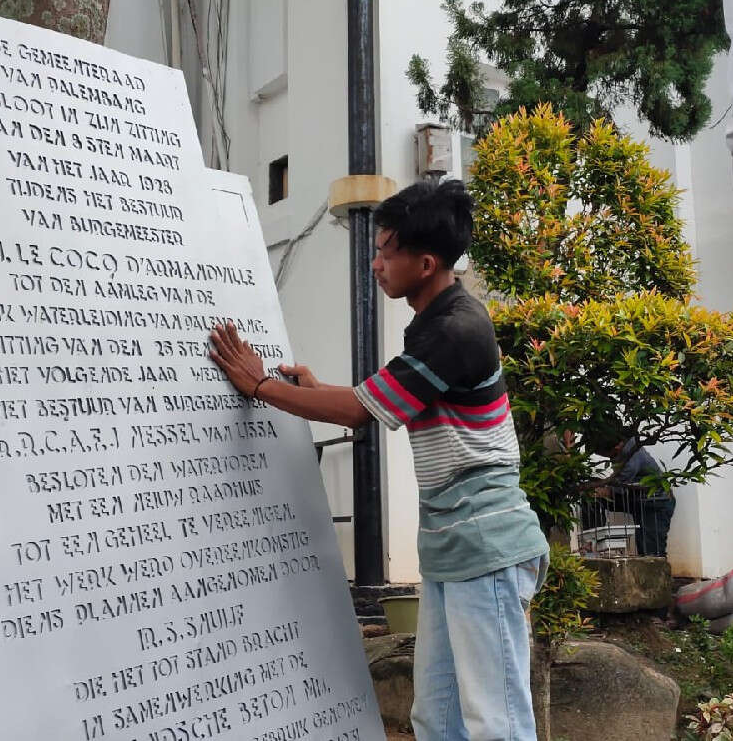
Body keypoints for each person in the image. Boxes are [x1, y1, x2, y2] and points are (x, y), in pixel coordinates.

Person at [208, 180, 549, 741]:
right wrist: (317, 389)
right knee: (436, 718)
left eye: (387, 251)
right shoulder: (436, 323)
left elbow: (359, 413)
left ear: (426, 262)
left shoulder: (456, 330)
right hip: (451, 549)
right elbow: (382, 396)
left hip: (486, 549)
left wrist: (261, 385)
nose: (376, 264)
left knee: (497, 722)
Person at [587, 428, 674, 557]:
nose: (611, 459)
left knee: (651, 551)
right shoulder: (627, 444)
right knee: (592, 499)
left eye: (610, 455)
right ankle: (593, 540)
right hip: (637, 498)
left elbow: (617, 487)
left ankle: (657, 575)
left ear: (616, 447)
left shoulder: (632, 455)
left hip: (656, 503)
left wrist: (600, 490)